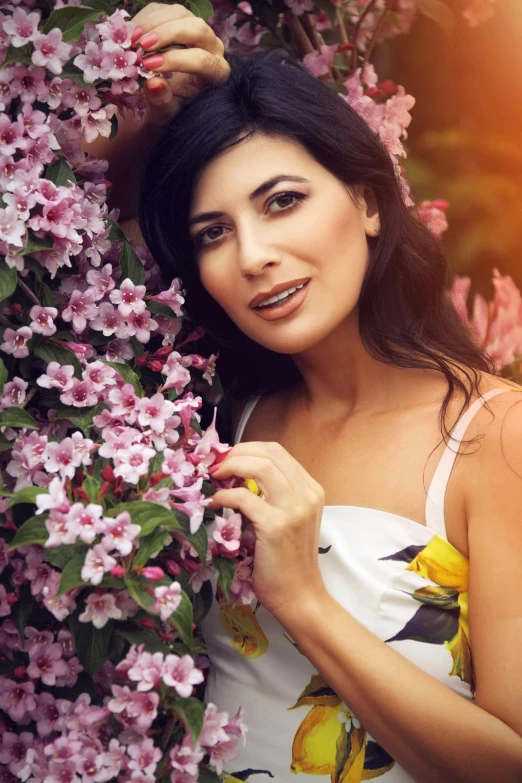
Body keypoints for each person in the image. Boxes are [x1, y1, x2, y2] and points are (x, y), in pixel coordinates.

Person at [93, 4, 522, 780]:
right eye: (212, 233)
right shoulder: (217, 416)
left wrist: (305, 599)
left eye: (282, 200)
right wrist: (141, 103)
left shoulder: (495, 435)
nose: (254, 255)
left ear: (365, 200)